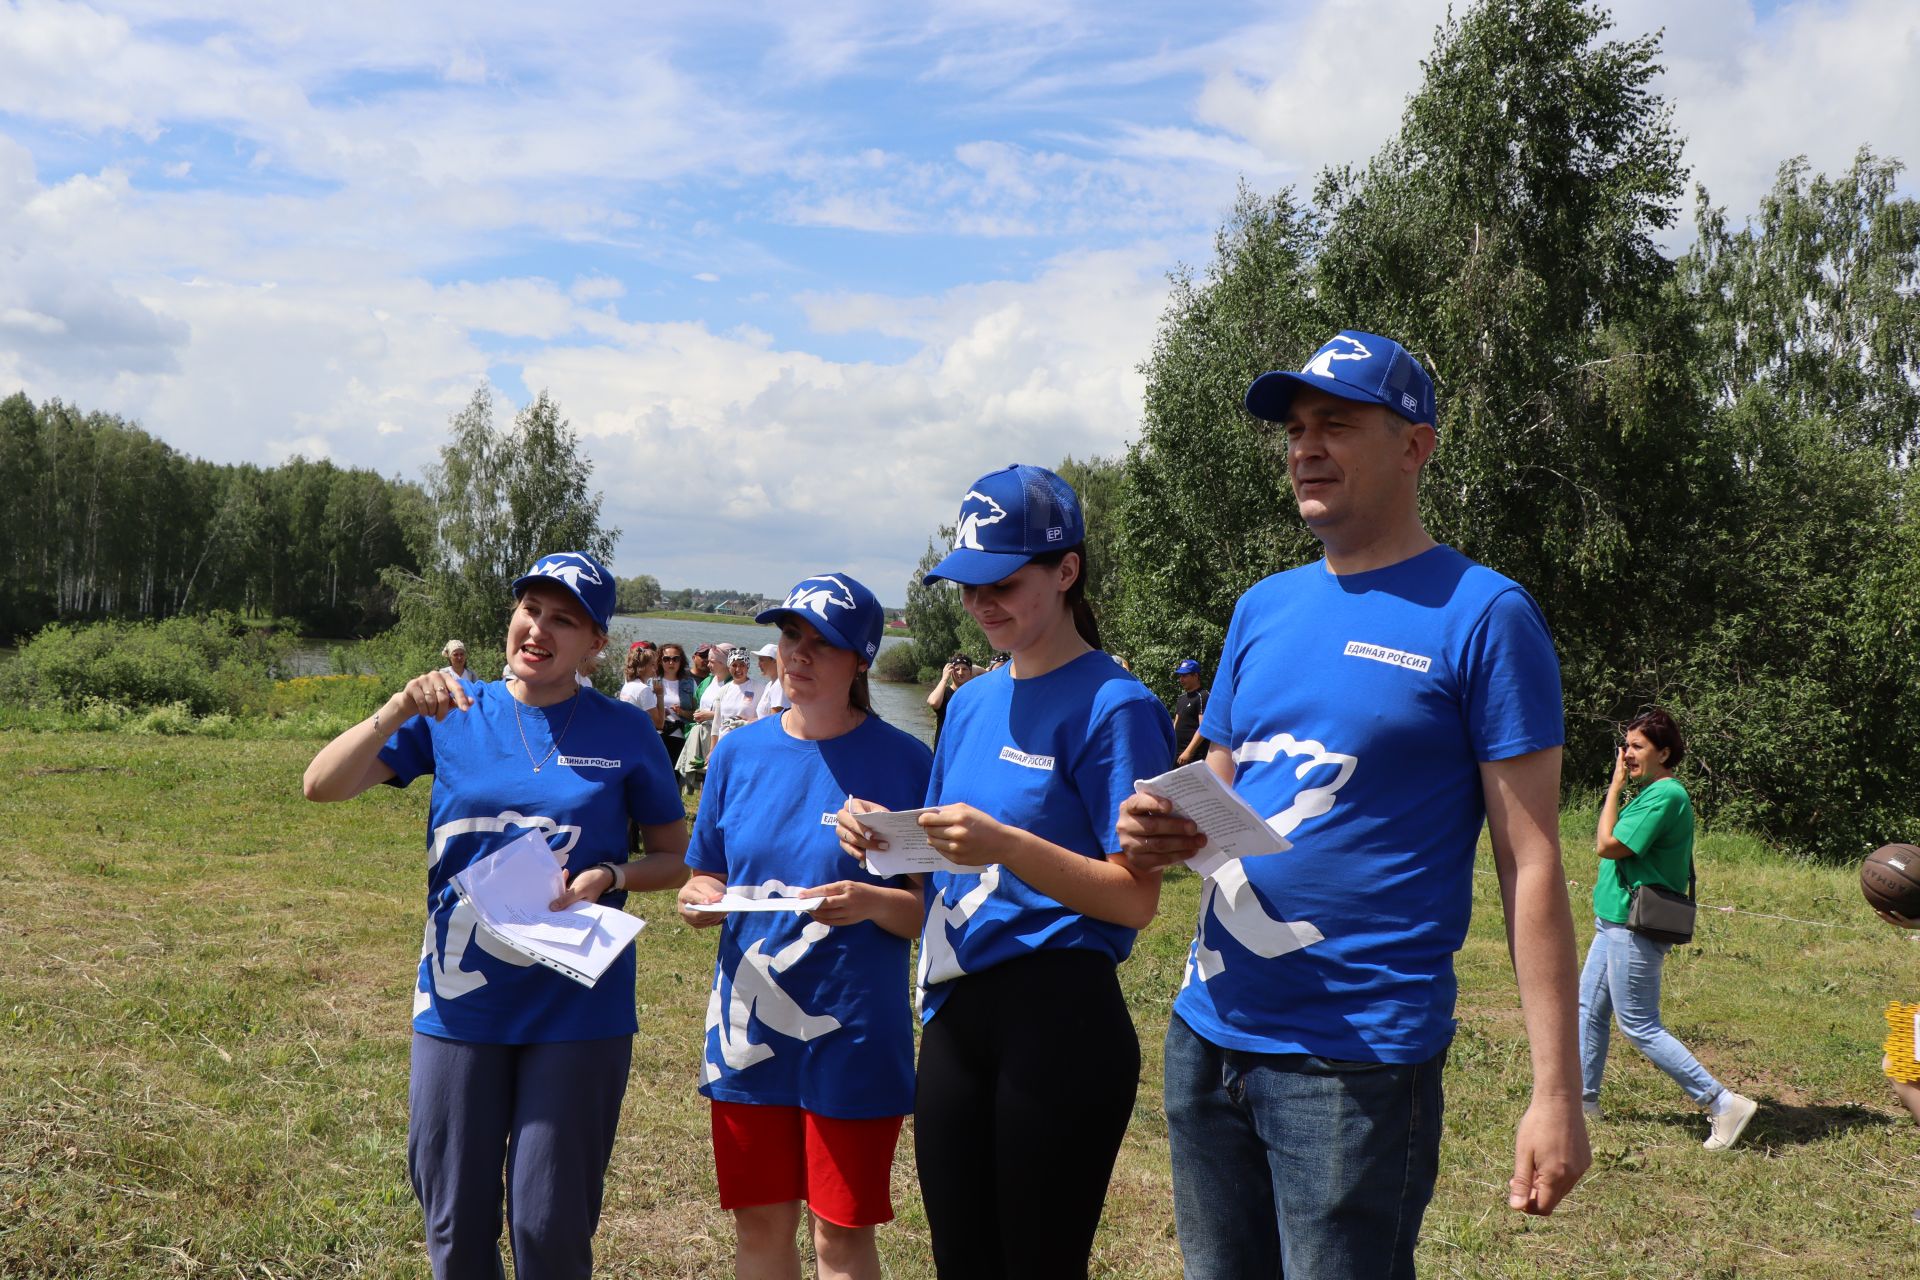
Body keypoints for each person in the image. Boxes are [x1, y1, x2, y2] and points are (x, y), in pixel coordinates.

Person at [1116, 330, 1591, 1278]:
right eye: (1295, 428)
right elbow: (1223, 782)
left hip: (1355, 1064)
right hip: (1207, 1034)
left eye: (1336, 423)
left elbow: (1529, 860)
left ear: (1415, 445)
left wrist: (1556, 1093)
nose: (1305, 446)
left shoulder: (1485, 615)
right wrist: (1163, 823)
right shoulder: (1263, 606)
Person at [300, 550, 690, 1279]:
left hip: (579, 1007)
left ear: (596, 643)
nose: (538, 630)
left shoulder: (626, 732)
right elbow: (320, 785)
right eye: (530, 610)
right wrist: (397, 708)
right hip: (460, 1003)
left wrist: (615, 873)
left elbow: (677, 858)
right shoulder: (454, 712)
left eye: (564, 620)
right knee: (455, 1225)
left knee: (549, 1227)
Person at [837, 464, 1174, 1279]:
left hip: (1058, 1014)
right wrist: (883, 840)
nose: (982, 604)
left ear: (1067, 571)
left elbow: (1134, 901)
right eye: (966, 587)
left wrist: (1009, 848)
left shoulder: (1116, 706)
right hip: (956, 1009)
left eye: (1003, 583)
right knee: (961, 1262)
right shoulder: (975, 701)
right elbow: (947, 851)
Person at [677, 573, 932, 1280]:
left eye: (824, 645)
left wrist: (870, 900)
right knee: (760, 1226)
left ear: (863, 662)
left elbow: (923, 913)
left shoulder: (907, 763)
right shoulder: (737, 753)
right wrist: (699, 897)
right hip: (746, 1033)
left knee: (839, 1238)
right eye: (792, 637)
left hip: (851, 1031)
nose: (799, 656)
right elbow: (708, 874)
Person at [1584, 708, 1758, 1148]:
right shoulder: (1648, 793)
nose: (1627, 755)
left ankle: (1723, 1103)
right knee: (1588, 1010)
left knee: (1640, 1024)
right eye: (1625, 746)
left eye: (1637, 747)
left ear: (1665, 752)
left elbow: (1607, 845)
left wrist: (1614, 787)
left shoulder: (1666, 795)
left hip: (1634, 927)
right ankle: (1581, 1102)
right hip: (1614, 921)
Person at [656, 643, 698, 764]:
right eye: (666, 659)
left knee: (675, 778)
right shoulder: (652, 681)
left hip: (680, 736)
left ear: (681, 661)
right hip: (657, 735)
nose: (671, 663)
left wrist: (682, 712)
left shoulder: (690, 683)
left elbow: (696, 715)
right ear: (660, 661)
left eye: (675, 659)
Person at [923, 651, 975, 746]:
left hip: (965, 746)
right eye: (957, 669)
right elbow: (933, 702)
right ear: (951, 671)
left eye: (964, 669)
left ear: (970, 672)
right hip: (945, 747)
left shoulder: (974, 694)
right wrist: (944, 678)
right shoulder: (944, 693)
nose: (960, 672)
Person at [714, 648, 761, 741]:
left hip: (746, 741)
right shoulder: (723, 690)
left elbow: (767, 716)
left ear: (747, 666)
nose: (738, 669)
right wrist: (712, 749)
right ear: (729, 667)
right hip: (724, 741)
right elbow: (716, 724)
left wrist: (750, 721)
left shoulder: (759, 688)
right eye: (734, 665)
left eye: (742, 665)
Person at [1170, 658, 1208, 765]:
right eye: (1180, 676)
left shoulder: (1203, 696)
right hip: (1176, 755)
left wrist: (1188, 751)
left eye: (1185, 676)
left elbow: (1204, 727)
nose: (1181, 679)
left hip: (1193, 757)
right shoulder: (1181, 698)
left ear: (1195, 676)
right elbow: (1176, 724)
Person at [752, 642, 788, 718]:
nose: (758, 665)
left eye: (761, 660)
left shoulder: (779, 685)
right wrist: (748, 722)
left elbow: (775, 721)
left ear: (775, 661)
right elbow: (764, 717)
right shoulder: (769, 685)